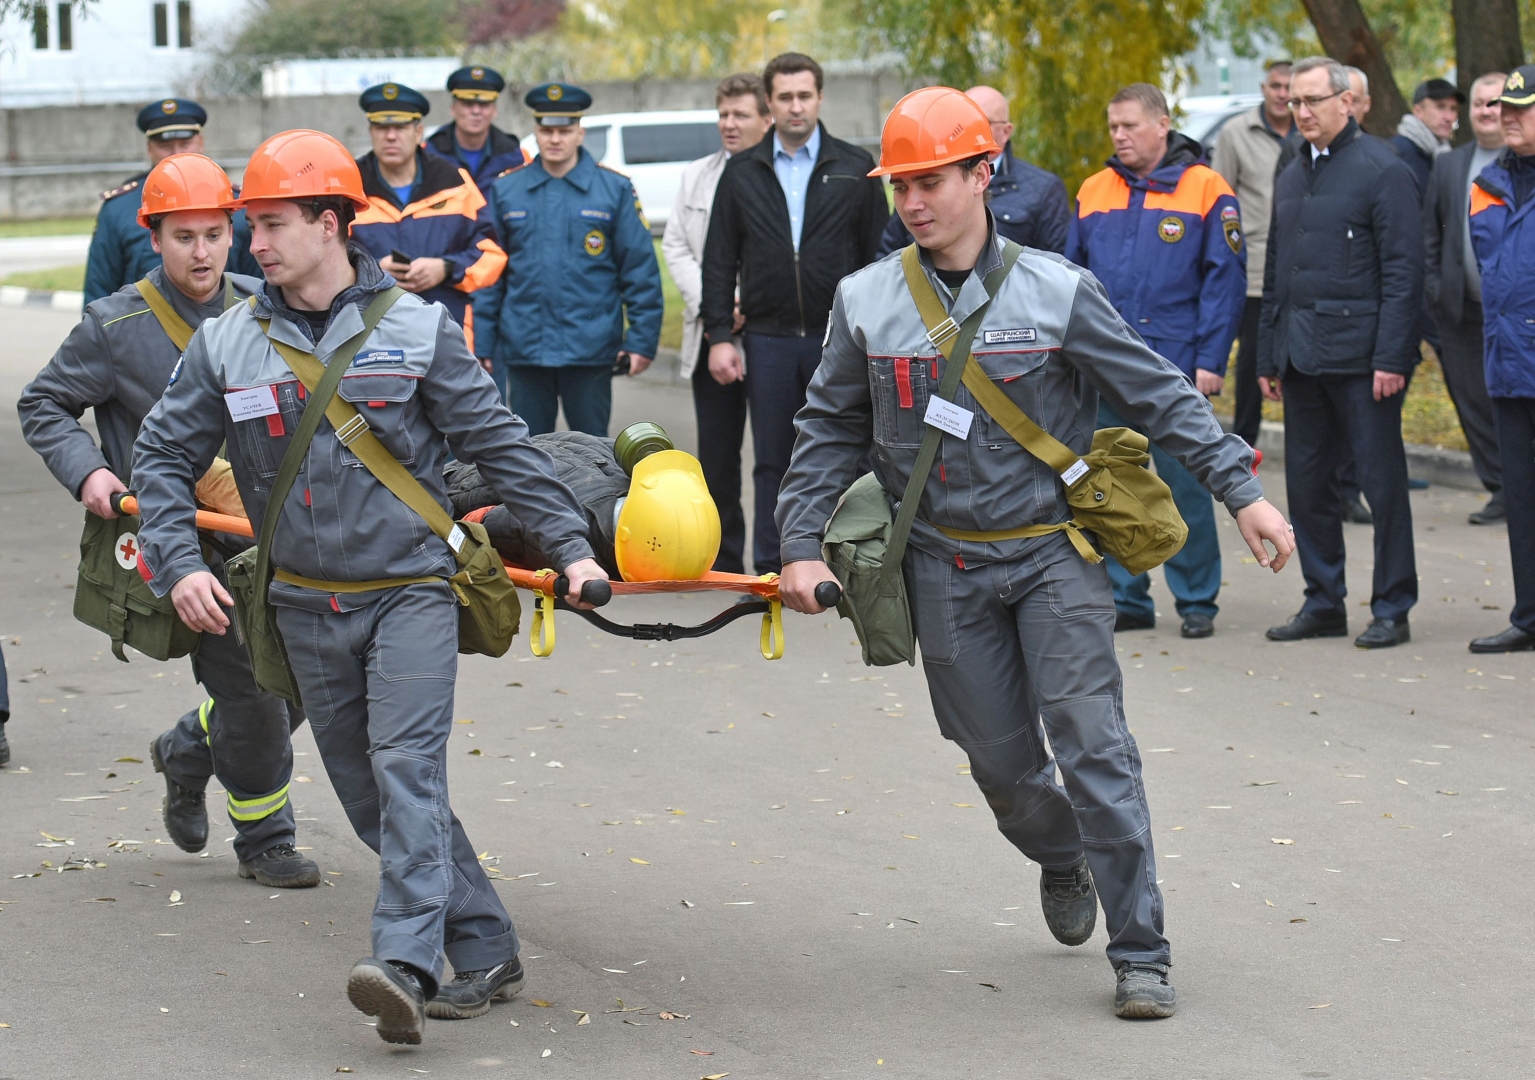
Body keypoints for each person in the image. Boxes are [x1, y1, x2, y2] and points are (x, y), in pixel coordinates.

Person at [774, 86, 1294, 1020]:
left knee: (1095, 749)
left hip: (1052, 558)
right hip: (939, 566)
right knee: (1002, 771)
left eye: (932, 180)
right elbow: (825, 431)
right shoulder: (865, 300)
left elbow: (1158, 393)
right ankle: (1062, 858)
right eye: (901, 186)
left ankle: (1141, 949)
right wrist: (797, 548)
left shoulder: (1056, 289)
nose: (913, 203)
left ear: (982, 172)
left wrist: (1241, 489)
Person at [130, 130, 609, 1042]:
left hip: (411, 594)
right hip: (303, 605)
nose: (254, 244)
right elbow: (160, 455)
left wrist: (570, 548)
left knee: (406, 771)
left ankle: (400, 961)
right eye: (250, 227)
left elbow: (500, 446)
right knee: (365, 797)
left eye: (271, 224)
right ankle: (488, 944)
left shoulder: (417, 330)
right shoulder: (230, 342)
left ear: (330, 223)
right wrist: (180, 561)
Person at [18, 154, 318, 887]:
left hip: (271, 534)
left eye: (216, 234)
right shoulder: (115, 326)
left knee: (304, 682)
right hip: (184, 543)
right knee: (251, 691)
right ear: (154, 238)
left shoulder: (265, 307)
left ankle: (189, 746)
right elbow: (43, 405)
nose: (203, 252)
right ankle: (265, 837)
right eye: (184, 237)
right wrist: (89, 471)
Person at [1068, 83, 1246, 638]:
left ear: (1163, 125)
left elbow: (1225, 282)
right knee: (1112, 485)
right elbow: (1068, 279)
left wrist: (1212, 359)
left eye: (1130, 126)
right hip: (1102, 367)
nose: (1119, 136)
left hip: (1175, 364)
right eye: (1113, 127)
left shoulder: (1206, 188)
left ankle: (1197, 600)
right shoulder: (1095, 190)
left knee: (1186, 484)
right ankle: (1128, 598)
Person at [702, 52, 888, 574]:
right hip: (769, 337)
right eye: (784, 97)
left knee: (852, 455)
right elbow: (719, 260)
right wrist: (720, 335)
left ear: (820, 98)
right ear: (769, 102)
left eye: (804, 95)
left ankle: (850, 559)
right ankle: (775, 561)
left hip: (842, 339)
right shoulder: (742, 172)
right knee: (772, 460)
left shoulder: (854, 167)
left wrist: (881, 332)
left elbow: (883, 258)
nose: (795, 106)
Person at [1259, 57, 1423, 649]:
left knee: (1381, 486)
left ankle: (1392, 605)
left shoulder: (1385, 168)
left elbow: (1406, 272)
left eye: (1313, 102)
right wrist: (1267, 356)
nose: (1301, 113)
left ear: (1346, 103)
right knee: (1307, 485)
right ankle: (1323, 600)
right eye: (1294, 103)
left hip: (1364, 361)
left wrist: (1393, 357)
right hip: (1300, 356)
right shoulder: (1291, 167)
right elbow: (1279, 266)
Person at [473, 83, 663, 435]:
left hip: (589, 349)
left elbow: (639, 270)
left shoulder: (614, 189)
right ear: (536, 132)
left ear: (580, 133)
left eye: (564, 130)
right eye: (547, 131)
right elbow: (490, 274)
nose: (555, 139)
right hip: (526, 348)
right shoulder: (506, 191)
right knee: (527, 453)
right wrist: (482, 343)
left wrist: (641, 342)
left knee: (594, 454)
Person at [661, 73, 774, 574]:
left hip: (772, 333)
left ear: (766, 119)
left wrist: (751, 298)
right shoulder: (697, 176)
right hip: (713, 335)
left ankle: (781, 558)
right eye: (723, 115)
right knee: (718, 458)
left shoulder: (781, 176)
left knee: (779, 455)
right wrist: (717, 303)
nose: (729, 124)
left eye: (740, 115)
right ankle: (726, 562)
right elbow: (676, 246)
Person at [349, 83, 507, 336]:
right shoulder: (348, 188)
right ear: (370, 131)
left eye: (400, 127)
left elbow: (492, 253)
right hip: (370, 337)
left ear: (418, 132)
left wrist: (446, 268)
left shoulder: (454, 182)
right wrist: (373, 270)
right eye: (381, 127)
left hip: (447, 335)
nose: (391, 136)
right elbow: (325, 261)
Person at [1467, 65, 1535, 653]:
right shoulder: (1487, 183)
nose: (1507, 116)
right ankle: (1530, 615)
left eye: (1522, 107)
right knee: (1522, 498)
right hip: (1510, 366)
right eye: (1504, 107)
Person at [1424, 72, 1508, 525]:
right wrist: (1437, 289)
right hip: (1461, 312)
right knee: (1473, 402)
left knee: (1514, 402)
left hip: (1517, 316)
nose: (1486, 111)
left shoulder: (1522, 161)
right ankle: (1499, 489)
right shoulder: (1449, 165)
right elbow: (1430, 234)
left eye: (1495, 103)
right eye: (1478, 104)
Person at [83, 98, 258, 307]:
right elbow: (98, 292)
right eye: (165, 146)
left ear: (200, 143)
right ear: (149, 149)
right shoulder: (118, 209)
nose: (176, 153)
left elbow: (259, 290)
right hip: (138, 332)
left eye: (185, 144)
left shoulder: (236, 203)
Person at [876, 85, 1069, 256]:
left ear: (980, 177)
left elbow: (1055, 269)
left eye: (930, 184)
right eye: (900, 187)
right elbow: (889, 253)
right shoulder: (913, 192)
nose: (912, 205)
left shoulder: (1044, 189)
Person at [1213, 60, 1293, 448]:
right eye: (1276, 86)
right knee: (1251, 369)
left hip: (1300, 268)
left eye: (1289, 87)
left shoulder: (1308, 132)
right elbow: (1219, 201)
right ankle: (1243, 454)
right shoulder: (1236, 133)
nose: (1283, 94)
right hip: (1256, 268)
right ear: (1264, 88)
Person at [426, 66, 526, 196]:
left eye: (484, 104)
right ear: (452, 109)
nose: (476, 111)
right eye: (468, 104)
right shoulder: (430, 154)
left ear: (494, 110)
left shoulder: (514, 155)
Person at [1391, 79, 1464, 193]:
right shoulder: (1396, 152)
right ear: (1418, 111)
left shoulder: (1446, 155)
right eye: (1440, 107)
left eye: (1453, 109)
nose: (1449, 117)